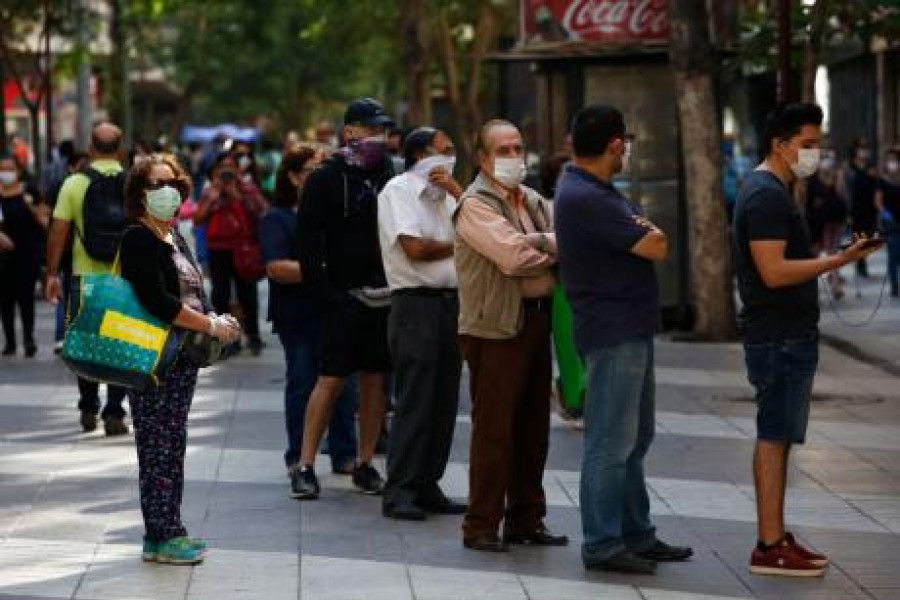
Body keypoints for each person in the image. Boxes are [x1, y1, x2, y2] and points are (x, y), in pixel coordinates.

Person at [732, 103, 881, 577]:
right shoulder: (765, 196)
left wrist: (841, 254)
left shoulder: (774, 190)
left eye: (818, 144)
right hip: (778, 337)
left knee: (779, 435)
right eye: (808, 145)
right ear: (779, 145)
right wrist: (838, 262)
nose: (815, 153)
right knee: (774, 435)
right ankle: (769, 544)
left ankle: (775, 535)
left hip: (785, 334)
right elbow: (774, 272)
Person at [554, 105, 692, 575]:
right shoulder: (586, 196)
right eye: (625, 143)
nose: (626, 150)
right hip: (613, 330)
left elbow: (648, 237)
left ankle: (637, 534)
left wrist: (645, 229)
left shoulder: (598, 191)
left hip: (629, 326)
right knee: (610, 442)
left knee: (634, 439)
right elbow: (656, 244)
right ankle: (602, 543)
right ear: (616, 144)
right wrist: (648, 229)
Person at [119, 153, 241, 565]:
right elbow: (158, 301)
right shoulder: (137, 238)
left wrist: (216, 317)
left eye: (172, 182)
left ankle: (161, 533)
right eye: (157, 184)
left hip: (181, 358)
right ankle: (166, 534)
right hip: (154, 358)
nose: (167, 190)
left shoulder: (173, 235)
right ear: (140, 194)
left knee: (171, 445)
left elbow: (192, 292)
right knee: (158, 448)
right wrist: (208, 325)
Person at [454, 119, 566, 552]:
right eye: (503, 150)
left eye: (518, 148)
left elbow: (564, 240)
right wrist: (549, 246)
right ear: (482, 158)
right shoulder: (474, 204)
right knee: (494, 429)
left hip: (536, 319)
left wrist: (539, 241)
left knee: (533, 427)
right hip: (494, 327)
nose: (514, 157)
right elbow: (513, 258)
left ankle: (526, 519)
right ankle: (481, 524)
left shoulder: (531, 200)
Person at [291, 98, 396, 500]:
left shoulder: (387, 173)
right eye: (371, 130)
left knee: (375, 382)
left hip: (382, 295)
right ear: (349, 132)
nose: (378, 138)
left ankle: (365, 463)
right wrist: (328, 295)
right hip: (341, 297)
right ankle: (305, 465)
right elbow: (306, 244)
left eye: (383, 131)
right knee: (330, 380)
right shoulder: (324, 179)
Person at [377, 127, 466, 521]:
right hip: (416, 305)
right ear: (421, 155)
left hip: (451, 304)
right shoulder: (398, 191)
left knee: (444, 399)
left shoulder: (449, 197)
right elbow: (416, 248)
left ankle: (429, 483)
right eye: (444, 150)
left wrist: (458, 192)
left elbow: (482, 227)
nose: (451, 157)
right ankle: (400, 488)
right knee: (415, 398)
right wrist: (460, 243)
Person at [260, 146, 360, 482]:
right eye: (312, 171)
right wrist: (330, 269)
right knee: (303, 382)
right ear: (292, 176)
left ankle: (345, 454)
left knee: (345, 385)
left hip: (337, 309)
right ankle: (299, 458)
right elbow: (277, 268)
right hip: (298, 315)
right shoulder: (277, 218)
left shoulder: (336, 214)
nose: (321, 178)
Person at [46, 122, 131, 436]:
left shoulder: (74, 183)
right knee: (121, 344)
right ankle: (115, 412)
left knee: (85, 343)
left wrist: (52, 273)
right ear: (120, 150)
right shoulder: (133, 183)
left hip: (85, 279)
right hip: (124, 278)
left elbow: (58, 231)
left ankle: (88, 406)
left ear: (91, 148)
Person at [193, 154, 267, 356]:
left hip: (243, 248)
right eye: (222, 167)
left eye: (230, 167)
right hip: (218, 249)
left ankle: (253, 336)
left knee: (247, 293)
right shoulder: (210, 190)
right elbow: (197, 219)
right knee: (221, 295)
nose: (226, 171)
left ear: (237, 169)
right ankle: (227, 339)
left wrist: (236, 195)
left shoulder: (246, 188)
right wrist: (212, 197)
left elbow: (261, 212)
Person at [0, 155, 48, 357]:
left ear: (18, 171)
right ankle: (10, 342)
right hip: (2, 257)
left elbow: (45, 221)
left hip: (26, 255)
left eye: (10, 169)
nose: (6, 174)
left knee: (26, 299)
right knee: (5, 300)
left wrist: (30, 206)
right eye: (2, 170)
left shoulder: (30, 192)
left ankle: (29, 339)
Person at [806, 146, 848, 299]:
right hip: (821, 222)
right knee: (817, 254)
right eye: (823, 157)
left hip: (837, 219)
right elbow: (812, 202)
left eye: (829, 157)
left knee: (833, 252)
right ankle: (814, 287)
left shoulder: (836, 175)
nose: (826, 161)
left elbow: (842, 194)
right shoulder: (812, 178)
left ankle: (835, 283)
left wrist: (838, 176)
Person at [841, 136, 878, 277]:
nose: (864, 150)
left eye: (866, 147)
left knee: (868, 237)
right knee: (858, 237)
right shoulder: (849, 167)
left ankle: (861, 260)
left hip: (870, 208)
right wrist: (847, 209)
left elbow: (877, 186)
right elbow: (845, 188)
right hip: (856, 209)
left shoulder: (871, 166)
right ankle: (860, 264)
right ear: (855, 149)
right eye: (861, 147)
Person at [875, 147, 900, 297]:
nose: (892, 163)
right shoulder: (882, 181)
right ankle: (894, 286)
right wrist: (884, 213)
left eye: (895, 160)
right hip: (891, 223)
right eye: (890, 160)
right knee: (893, 254)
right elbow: (878, 201)